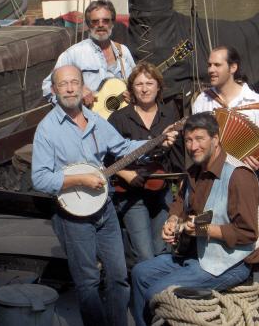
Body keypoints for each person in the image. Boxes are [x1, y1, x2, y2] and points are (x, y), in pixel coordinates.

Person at [32, 65, 177, 326]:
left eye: (74, 82)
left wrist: (157, 141)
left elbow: (124, 147)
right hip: (73, 215)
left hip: (105, 209)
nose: (70, 88)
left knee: (119, 276)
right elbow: (40, 178)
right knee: (87, 281)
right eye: (63, 84)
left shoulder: (96, 121)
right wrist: (79, 179)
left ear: (82, 86)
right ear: (54, 90)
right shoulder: (47, 129)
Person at [131, 112, 259, 326]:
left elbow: (248, 233)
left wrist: (205, 230)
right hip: (196, 254)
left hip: (231, 263)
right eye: (188, 140)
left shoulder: (239, 176)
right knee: (139, 273)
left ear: (215, 139)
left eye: (199, 139)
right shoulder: (193, 170)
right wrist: (173, 220)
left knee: (156, 293)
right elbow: (179, 201)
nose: (193, 147)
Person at [192, 45, 259, 289]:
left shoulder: (255, 103)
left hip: (248, 181)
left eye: (217, 65)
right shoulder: (202, 101)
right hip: (213, 182)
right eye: (209, 64)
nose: (210, 69)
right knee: (220, 242)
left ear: (233, 68)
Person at [107, 62, 185, 267]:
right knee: (144, 255)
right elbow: (107, 158)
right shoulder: (119, 118)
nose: (144, 88)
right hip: (131, 193)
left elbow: (178, 156)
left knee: (163, 250)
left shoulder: (169, 115)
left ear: (158, 87)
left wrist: (181, 191)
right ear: (131, 89)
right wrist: (125, 174)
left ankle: (159, 298)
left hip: (162, 191)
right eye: (139, 84)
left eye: (149, 83)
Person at [42, 0, 135, 106]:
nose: (100, 25)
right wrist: (75, 96)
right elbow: (48, 86)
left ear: (112, 23)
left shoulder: (123, 51)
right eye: (95, 21)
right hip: (88, 120)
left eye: (105, 20)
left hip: (122, 119)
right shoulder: (74, 54)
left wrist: (133, 94)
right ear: (88, 25)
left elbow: (136, 83)